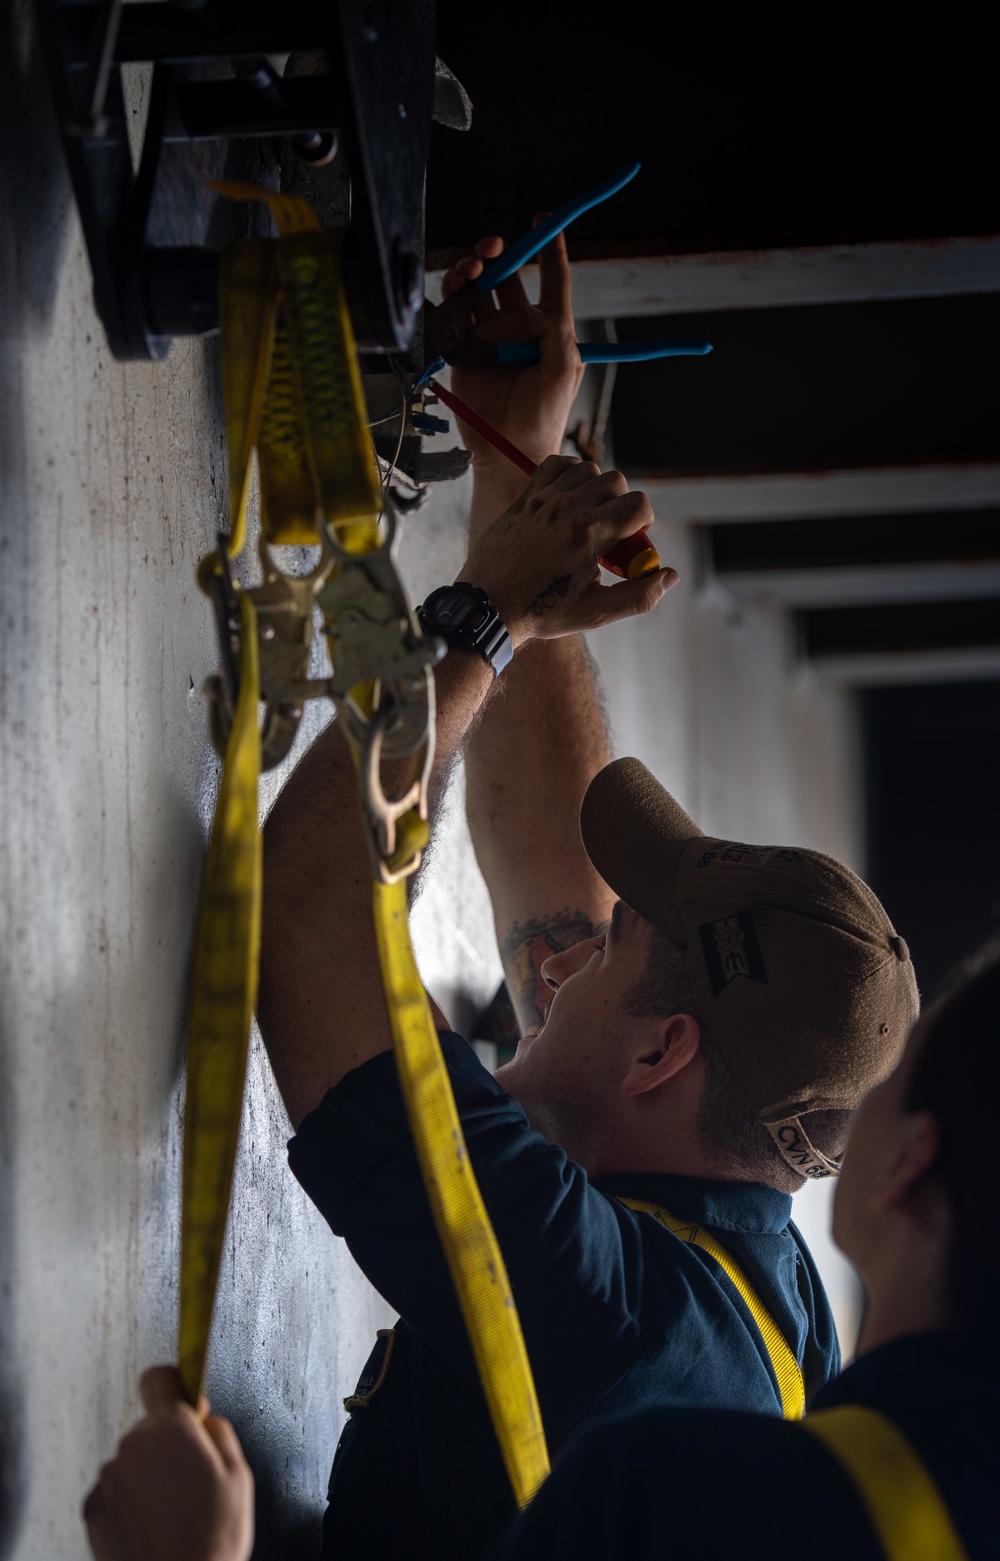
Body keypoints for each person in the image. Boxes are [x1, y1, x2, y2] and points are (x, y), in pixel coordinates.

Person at [247, 225, 917, 1560]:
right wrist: (521, 488)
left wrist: (485, 622)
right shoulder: (758, 1285)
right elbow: (560, 880)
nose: (561, 959)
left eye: (614, 954)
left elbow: (307, 920)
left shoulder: (600, 1308)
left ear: (666, 1050)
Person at [84, 945, 1000, 1561]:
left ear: (909, 1162)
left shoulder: (661, 1494)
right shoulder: (787, 1305)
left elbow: (311, 936)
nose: (556, 965)